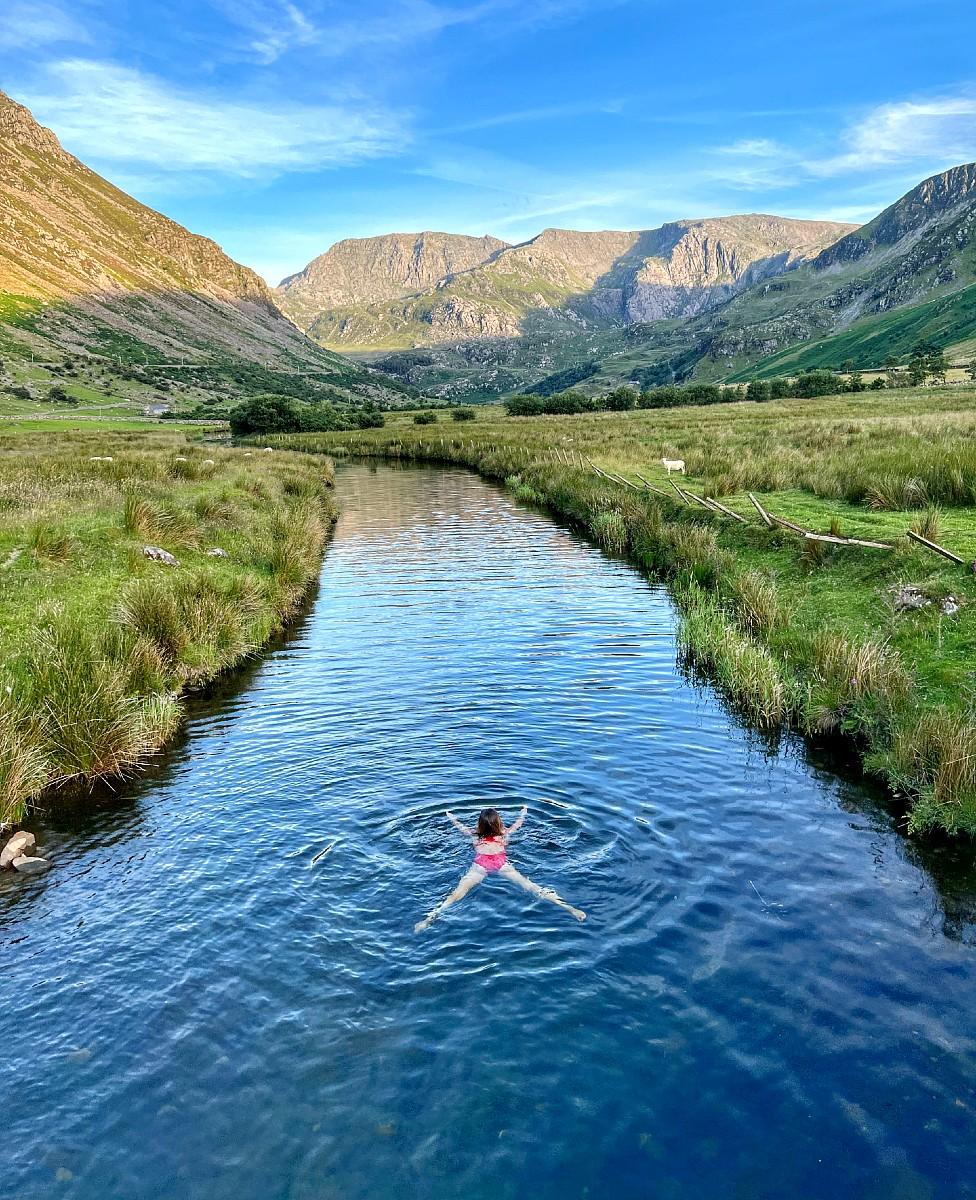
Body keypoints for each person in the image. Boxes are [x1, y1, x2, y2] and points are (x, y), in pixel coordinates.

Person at [414, 806, 586, 932]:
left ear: (480, 825)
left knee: (456, 895)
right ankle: (570, 908)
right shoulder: (504, 834)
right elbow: (518, 824)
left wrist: (451, 817)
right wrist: (523, 812)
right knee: (533, 888)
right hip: (502, 864)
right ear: (498, 823)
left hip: (480, 865)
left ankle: (429, 918)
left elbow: (460, 827)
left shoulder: (474, 835)